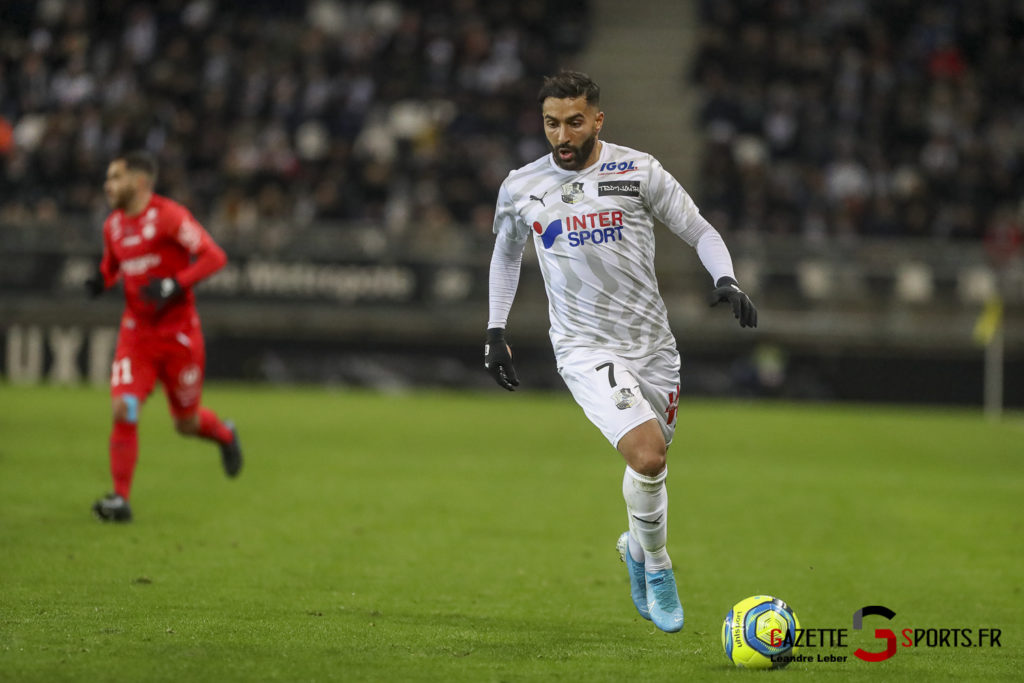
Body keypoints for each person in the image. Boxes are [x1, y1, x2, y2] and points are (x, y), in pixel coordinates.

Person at [484, 71, 757, 633]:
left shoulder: (638, 171)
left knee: (652, 468)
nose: (562, 134)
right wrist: (495, 329)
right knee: (648, 455)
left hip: (654, 348)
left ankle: (635, 547)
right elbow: (506, 256)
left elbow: (700, 230)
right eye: (551, 123)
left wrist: (726, 279)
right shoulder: (521, 187)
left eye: (574, 122)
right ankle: (657, 565)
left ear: (598, 120)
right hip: (584, 346)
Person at [85, 151, 243, 522]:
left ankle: (225, 435)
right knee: (124, 407)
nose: (108, 185)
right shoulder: (113, 226)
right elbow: (112, 266)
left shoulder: (169, 216)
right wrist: (100, 280)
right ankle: (120, 499)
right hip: (136, 335)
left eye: (115, 177)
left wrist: (176, 283)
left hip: (179, 336)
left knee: (185, 423)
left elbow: (214, 256)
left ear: (139, 182)